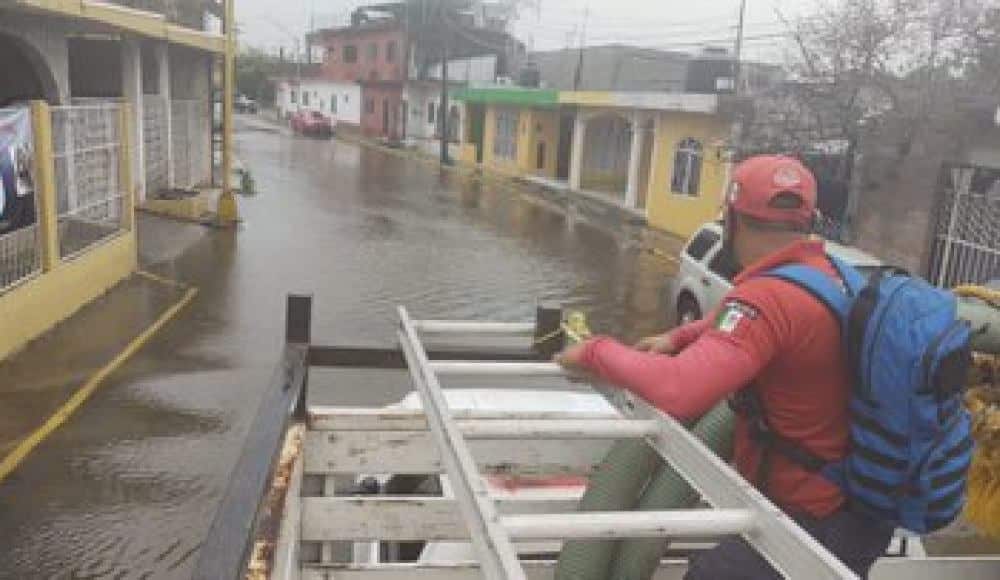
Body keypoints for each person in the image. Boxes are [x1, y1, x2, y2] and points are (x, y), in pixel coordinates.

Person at [556, 155, 894, 579]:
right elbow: (783, 325)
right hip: (865, 508)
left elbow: (680, 389)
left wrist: (593, 352)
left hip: (812, 518)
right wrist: (679, 337)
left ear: (733, 219)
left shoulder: (765, 298)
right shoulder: (835, 274)